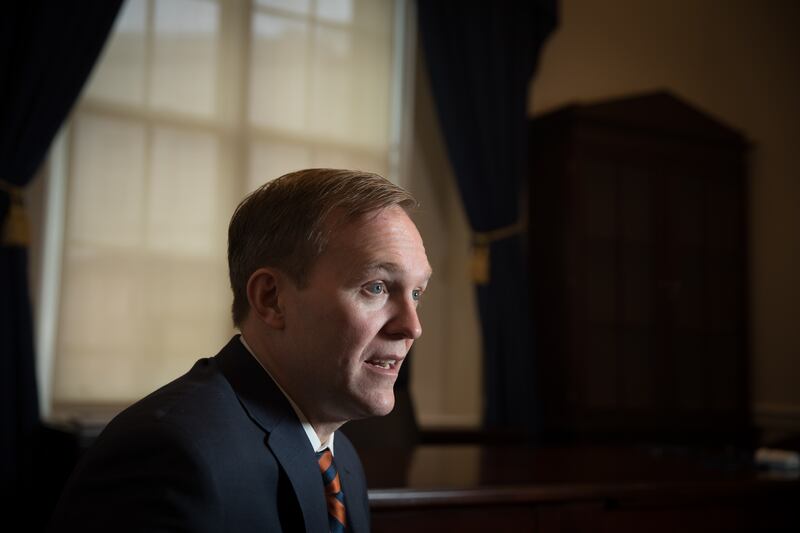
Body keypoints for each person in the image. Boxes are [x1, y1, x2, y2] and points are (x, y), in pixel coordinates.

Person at [50, 168, 432, 532]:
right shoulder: (171, 455)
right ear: (271, 299)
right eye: (377, 287)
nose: (412, 326)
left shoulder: (340, 457)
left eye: (417, 293)